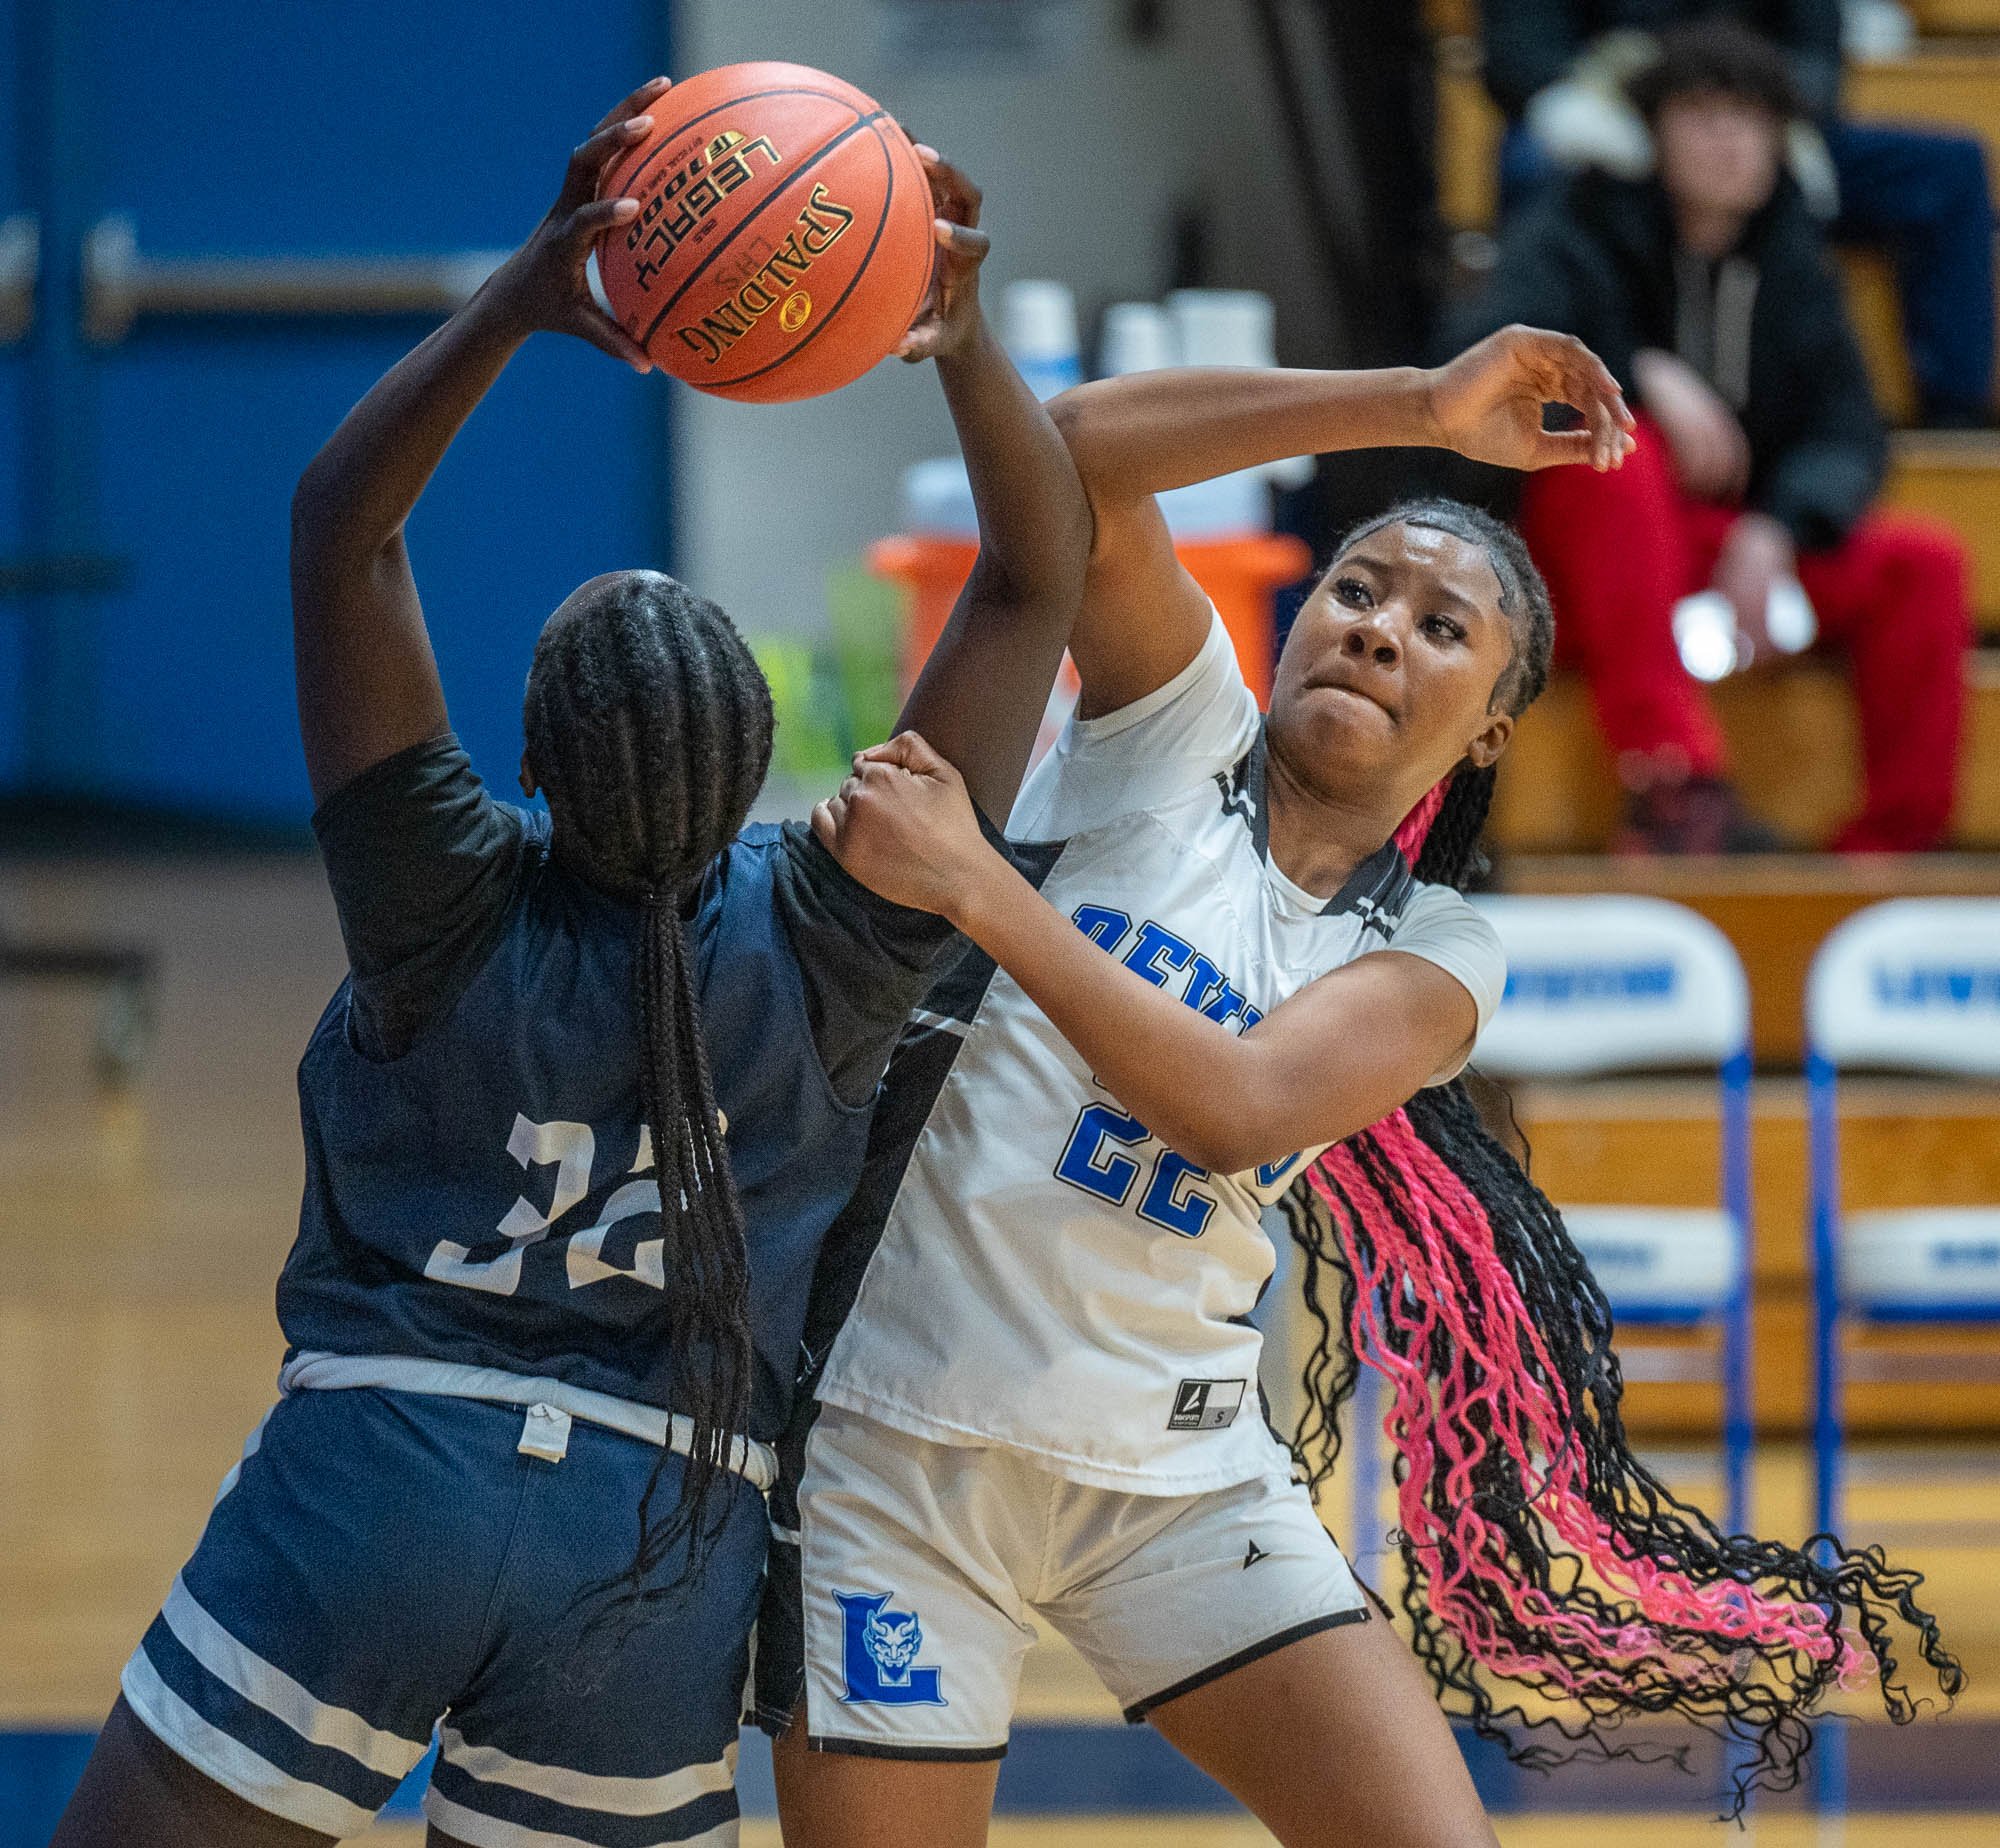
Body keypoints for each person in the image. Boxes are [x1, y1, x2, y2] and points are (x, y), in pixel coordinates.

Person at [49, 82, 1091, 1848]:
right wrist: (964, 336)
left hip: (380, 1481)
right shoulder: (837, 929)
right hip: (659, 1545)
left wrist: (533, 294)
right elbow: (1027, 586)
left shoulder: (444, 888)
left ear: (521, 767)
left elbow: (337, 529)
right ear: (765, 765)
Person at [757, 333, 1960, 1848]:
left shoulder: (1442, 950)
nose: (1383, 631)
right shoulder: (1171, 728)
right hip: (902, 1439)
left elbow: (1244, 1108)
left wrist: (983, 893)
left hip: (1174, 1476)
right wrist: (1416, 410)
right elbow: (1071, 457)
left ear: (1494, 728)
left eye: (1442, 627)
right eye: (1358, 591)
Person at [1455, 21, 1971, 852]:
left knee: (1924, 566)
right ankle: (1672, 785)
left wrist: (1778, 528)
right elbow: (1488, 365)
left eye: (1750, 118)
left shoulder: (1796, 260)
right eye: (1701, 114)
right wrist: (1635, 370)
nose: (1729, 139)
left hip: (1723, 559)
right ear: (1654, 134)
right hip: (1577, 567)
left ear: (1781, 139)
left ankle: (1895, 848)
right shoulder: (1574, 226)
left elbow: (1848, 432)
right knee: (1617, 458)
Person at [1480, 0, 1998, 429]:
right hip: (1607, 114)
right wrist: (1638, 104)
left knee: (1948, 169)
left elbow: (1820, 63)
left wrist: (1743, 102)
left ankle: (1954, 415)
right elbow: (1518, 58)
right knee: (1532, 161)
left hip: (1761, 107)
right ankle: (1548, 397)